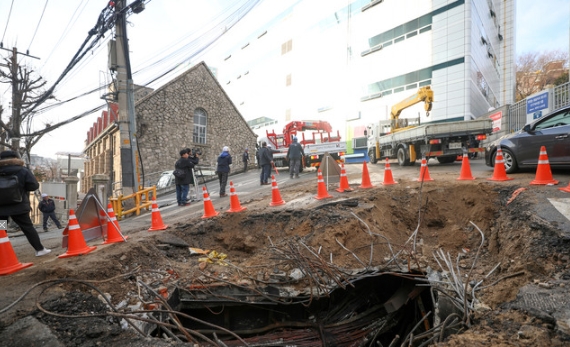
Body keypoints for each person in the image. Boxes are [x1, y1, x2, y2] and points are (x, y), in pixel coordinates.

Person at [0, 150, 51, 257]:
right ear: (16, 158)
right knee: (27, 228)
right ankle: (39, 249)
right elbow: (33, 186)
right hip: (19, 207)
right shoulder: (22, 170)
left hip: (1, 209)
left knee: (1, 229)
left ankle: (2, 254)